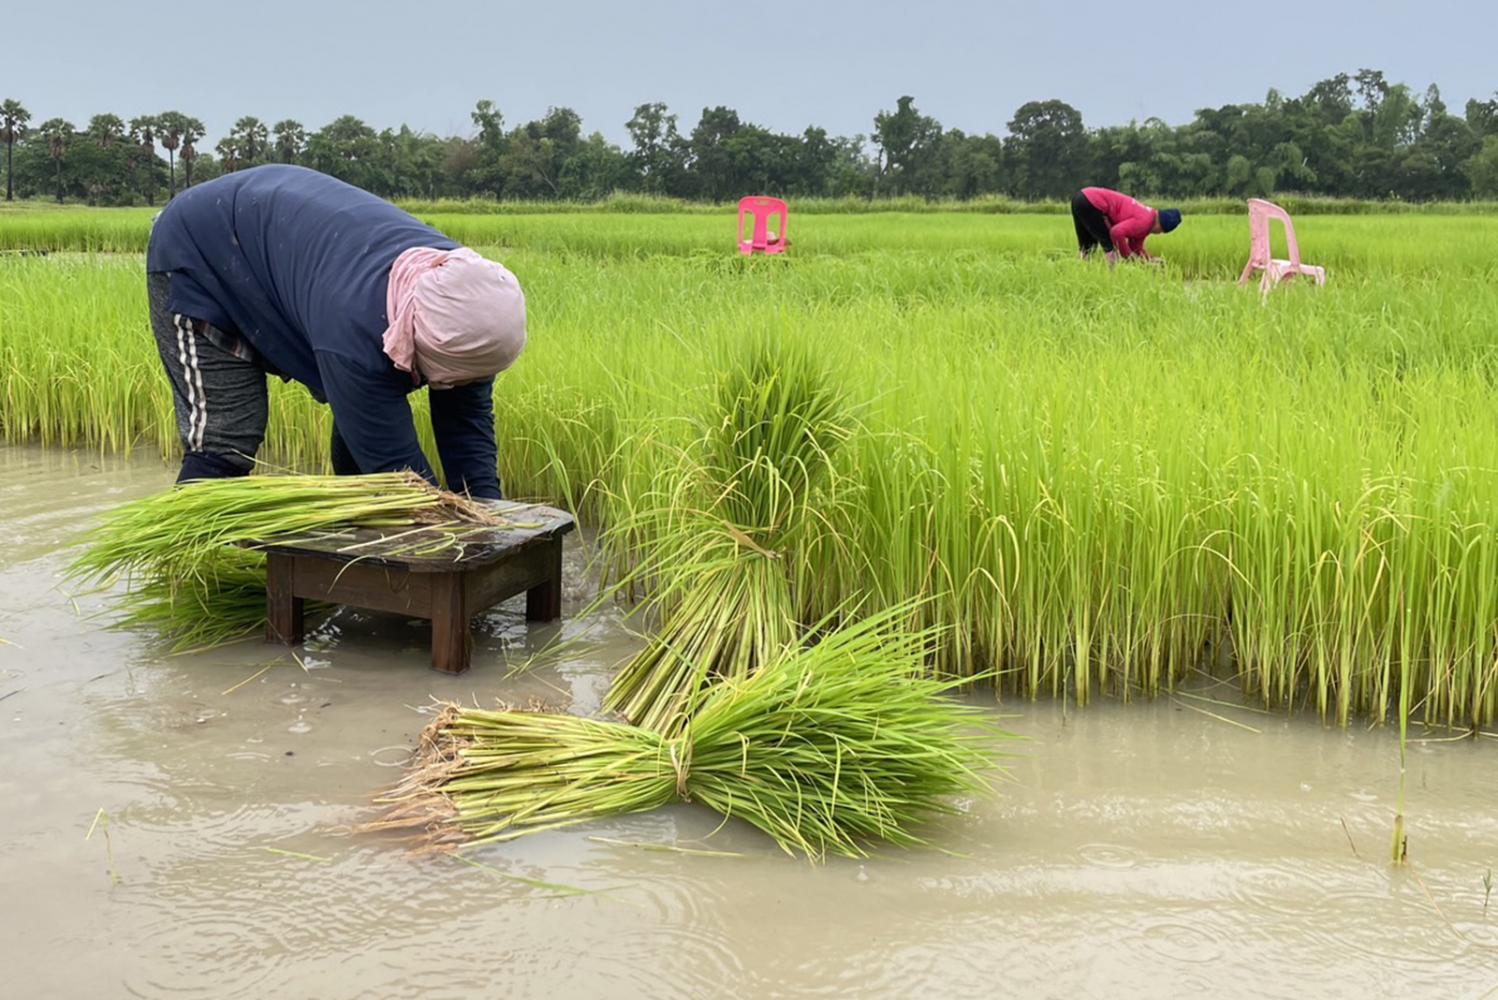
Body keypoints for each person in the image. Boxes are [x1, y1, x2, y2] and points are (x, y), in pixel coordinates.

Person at [145, 164, 526, 500]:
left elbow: (467, 433)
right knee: (227, 439)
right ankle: (193, 568)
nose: (450, 384)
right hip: (203, 253)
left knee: (368, 417)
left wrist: (491, 516)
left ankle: (359, 556)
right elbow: (400, 481)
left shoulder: (469, 301)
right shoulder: (356, 334)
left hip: (290, 240)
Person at [1071, 186, 1182, 265]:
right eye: (1161, 231)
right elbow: (1116, 232)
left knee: (1087, 248)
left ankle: (1081, 273)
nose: (1158, 233)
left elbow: (1136, 247)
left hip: (1080, 198)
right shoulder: (1145, 222)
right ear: (1160, 226)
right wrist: (1127, 256)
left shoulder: (1148, 217)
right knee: (1109, 246)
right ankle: (1112, 280)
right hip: (1093, 202)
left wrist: (1150, 260)